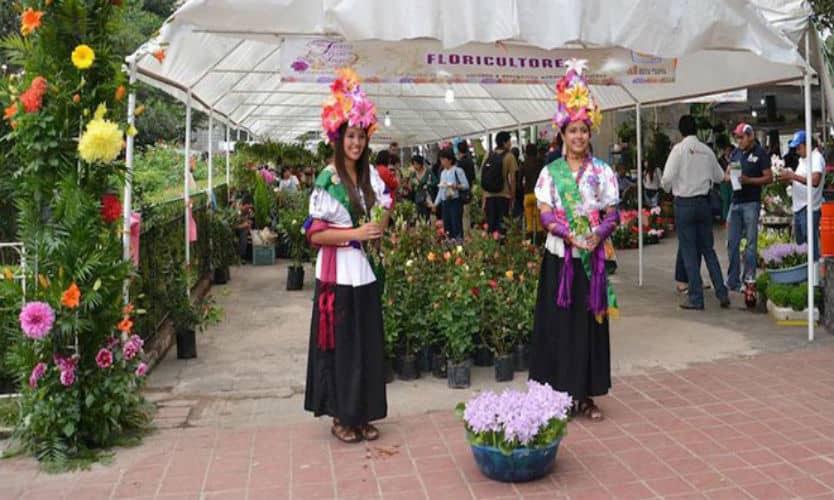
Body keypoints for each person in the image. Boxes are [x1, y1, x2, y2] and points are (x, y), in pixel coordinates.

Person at [303, 68, 391, 444]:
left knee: (366, 344)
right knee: (341, 347)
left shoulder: (370, 177)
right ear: (338, 138)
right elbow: (314, 234)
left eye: (361, 136)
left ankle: (363, 413)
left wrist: (380, 221)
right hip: (336, 274)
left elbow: (384, 210)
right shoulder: (329, 179)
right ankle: (342, 416)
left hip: (363, 273)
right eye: (350, 136)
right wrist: (356, 234)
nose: (356, 143)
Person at [529, 60, 619, 422]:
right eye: (572, 131)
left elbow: (613, 214)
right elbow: (545, 215)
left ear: (589, 133)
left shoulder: (603, 172)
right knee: (558, 326)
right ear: (562, 135)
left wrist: (596, 235)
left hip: (591, 260)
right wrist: (569, 235)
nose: (578, 137)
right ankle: (556, 394)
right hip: (560, 259)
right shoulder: (550, 173)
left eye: (583, 130)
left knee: (589, 327)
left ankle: (585, 394)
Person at [661, 115, 730, 310]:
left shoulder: (678, 150)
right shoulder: (707, 150)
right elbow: (719, 177)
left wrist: (668, 188)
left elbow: (666, 179)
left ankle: (696, 298)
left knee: (689, 252)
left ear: (681, 131)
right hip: (704, 204)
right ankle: (722, 292)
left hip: (685, 204)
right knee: (708, 250)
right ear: (696, 130)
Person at [726, 123, 772, 292]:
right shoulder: (736, 153)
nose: (739, 140)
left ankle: (749, 279)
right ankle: (732, 280)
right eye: (737, 137)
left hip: (751, 202)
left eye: (741, 137)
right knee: (732, 243)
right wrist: (729, 177)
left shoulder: (761, 153)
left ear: (750, 136)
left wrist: (749, 180)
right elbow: (727, 172)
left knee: (751, 244)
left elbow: (769, 178)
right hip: (735, 201)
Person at [781, 130, 824, 262]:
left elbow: (815, 181)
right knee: (802, 246)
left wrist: (793, 176)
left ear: (807, 145)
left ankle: (814, 271)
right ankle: (806, 271)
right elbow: (802, 179)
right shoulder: (804, 160)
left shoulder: (816, 158)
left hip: (808, 207)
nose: (797, 151)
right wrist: (790, 179)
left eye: (799, 147)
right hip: (799, 207)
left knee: (810, 245)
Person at [482, 131, 518, 234]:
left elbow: (483, 177)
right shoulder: (509, 156)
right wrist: (513, 197)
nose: (510, 144)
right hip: (503, 195)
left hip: (489, 196)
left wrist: (484, 200)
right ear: (504, 142)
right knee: (502, 227)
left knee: (491, 227)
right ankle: (501, 243)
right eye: (509, 141)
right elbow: (513, 179)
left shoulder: (488, 155)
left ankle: (491, 243)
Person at [432, 149, 469, 240]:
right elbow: (441, 190)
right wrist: (435, 203)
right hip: (445, 202)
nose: (442, 162)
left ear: (450, 160)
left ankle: (458, 244)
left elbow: (466, 185)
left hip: (455, 201)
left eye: (444, 160)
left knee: (456, 224)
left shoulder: (458, 171)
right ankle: (449, 243)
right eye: (441, 160)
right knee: (447, 225)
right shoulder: (443, 173)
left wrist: (456, 186)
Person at [521, 143, 545, 240]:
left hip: (527, 194)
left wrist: (522, 190)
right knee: (539, 222)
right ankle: (539, 241)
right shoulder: (540, 163)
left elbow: (519, 179)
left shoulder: (524, 163)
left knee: (529, 221)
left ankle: (529, 241)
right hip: (538, 195)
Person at [409, 154, 437, 222]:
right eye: (414, 164)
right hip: (418, 197)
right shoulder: (413, 173)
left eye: (417, 164)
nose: (415, 166)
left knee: (427, 214)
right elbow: (411, 185)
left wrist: (428, 185)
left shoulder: (428, 172)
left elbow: (436, 181)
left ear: (421, 164)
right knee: (419, 215)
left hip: (427, 196)